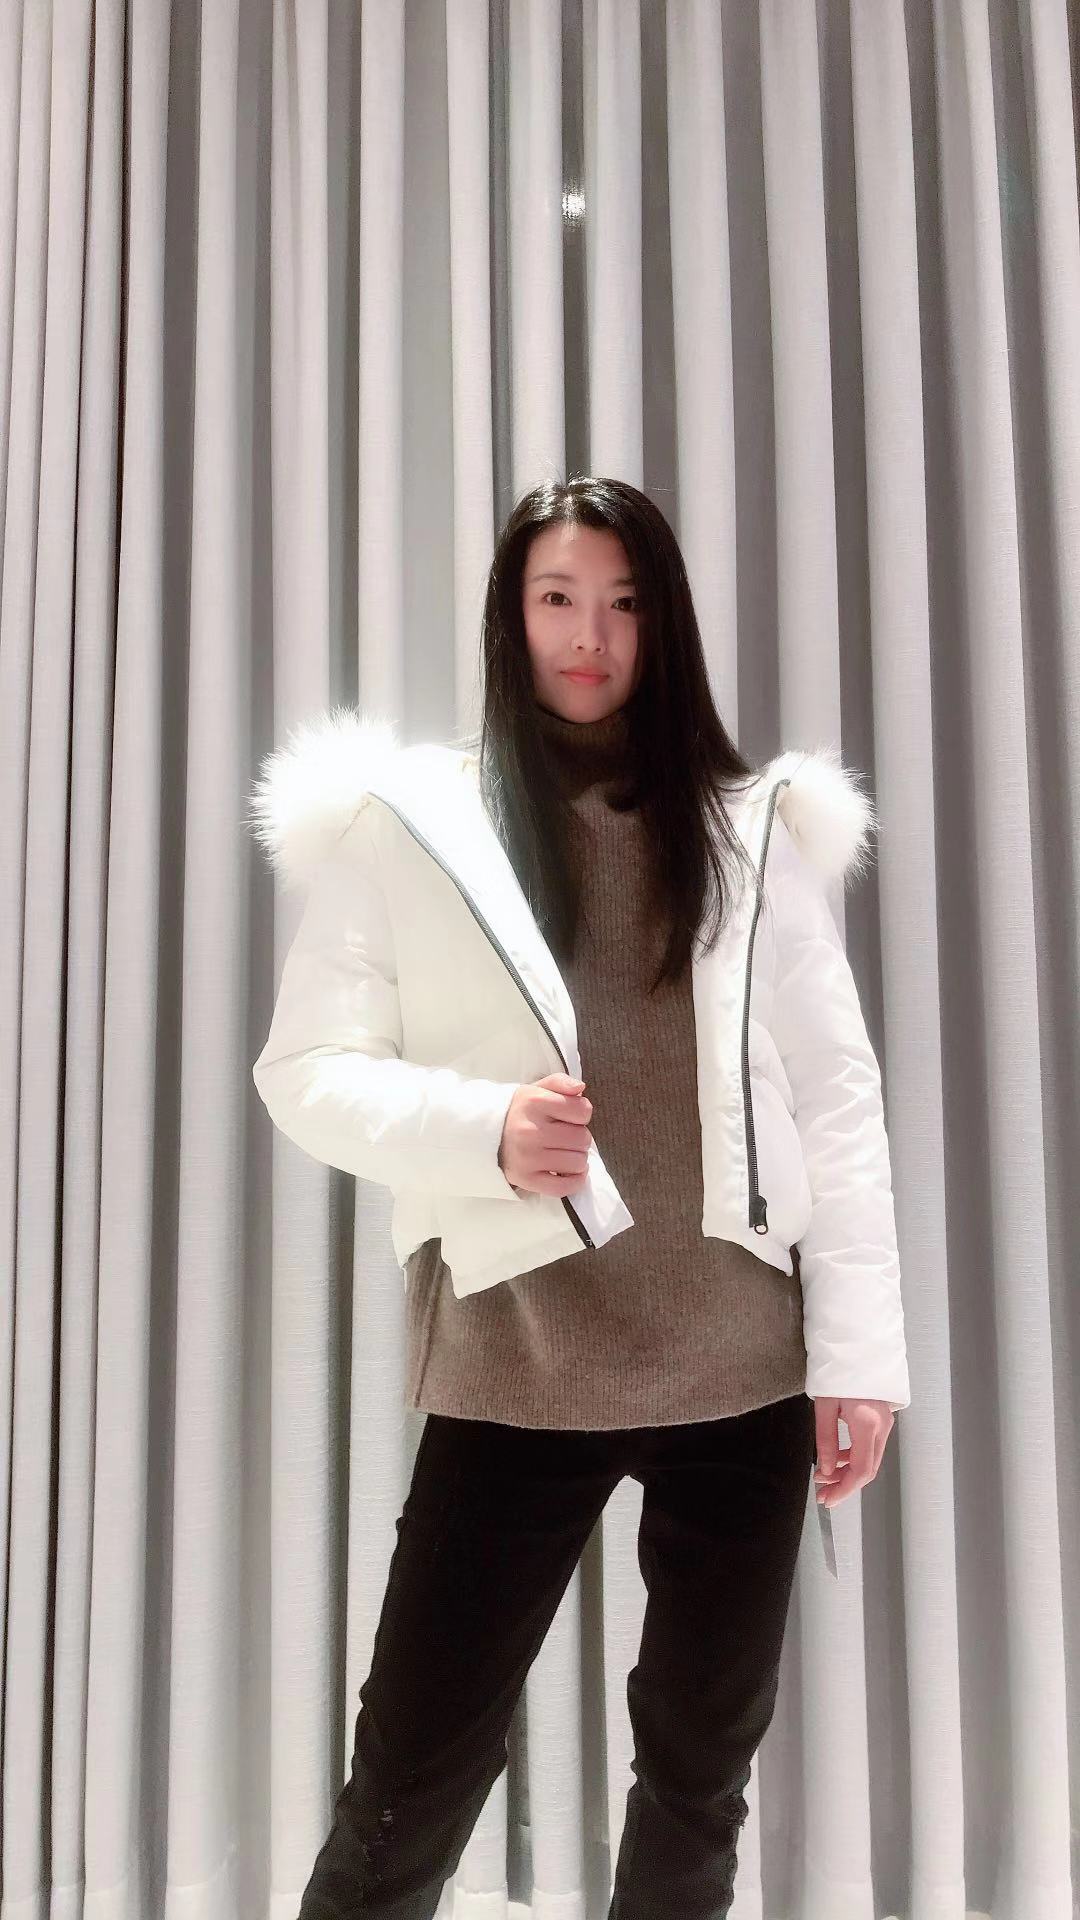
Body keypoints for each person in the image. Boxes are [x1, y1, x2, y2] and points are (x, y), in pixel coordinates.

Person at [247, 476, 910, 1919]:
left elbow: (837, 1099)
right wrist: (483, 1130)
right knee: (412, 1774)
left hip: (738, 1367)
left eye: (622, 603)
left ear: (664, 624)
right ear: (512, 617)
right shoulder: (417, 825)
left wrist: (858, 1360)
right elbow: (304, 1071)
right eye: (558, 599)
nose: (590, 637)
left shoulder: (750, 831)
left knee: (697, 1783)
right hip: (518, 1357)